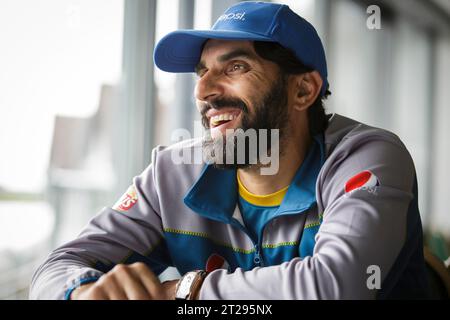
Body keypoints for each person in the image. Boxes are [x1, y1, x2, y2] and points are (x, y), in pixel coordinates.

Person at [30, 1, 430, 300]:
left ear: (304, 89)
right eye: (202, 71)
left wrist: (186, 293)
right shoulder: (171, 173)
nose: (203, 91)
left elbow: (336, 286)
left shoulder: (367, 156)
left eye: (235, 67)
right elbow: (53, 269)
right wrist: (82, 292)